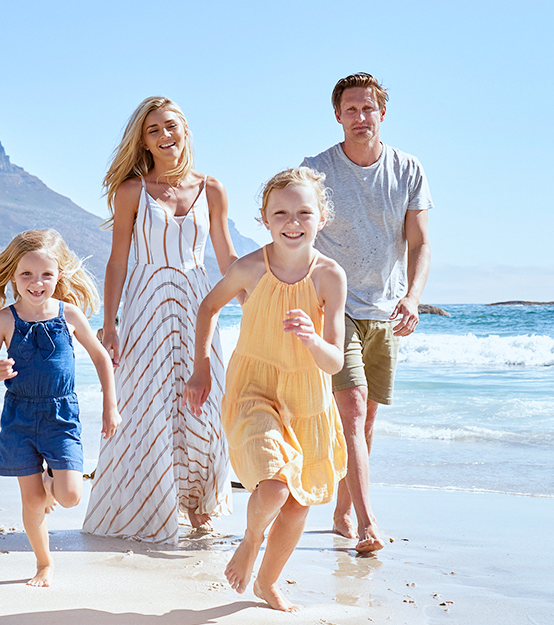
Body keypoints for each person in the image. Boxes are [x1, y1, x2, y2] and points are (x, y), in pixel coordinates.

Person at [184, 167, 348, 613]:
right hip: (255, 389)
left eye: (303, 212)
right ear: (265, 218)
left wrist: (313, 340)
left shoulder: (329, 276)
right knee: (274, 487)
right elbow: (207, 308)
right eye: (281, 213)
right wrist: (201, 367)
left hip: (307, 398)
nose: (292, 222)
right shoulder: (250, 268)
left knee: (298, 504)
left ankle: (268, 582)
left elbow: (335, 359)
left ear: (321, 217)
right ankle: (251, 540)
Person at [83, 96, 238, 543]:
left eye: (171, 126)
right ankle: (153, 503)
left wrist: (255, 295)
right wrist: (109, 323)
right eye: (154, 130)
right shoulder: (131, 191)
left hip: (196, 304)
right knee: (148, 405)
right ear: (144, 142)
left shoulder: (212, 189)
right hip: (146, 304)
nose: (165, 135)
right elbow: (117, 262)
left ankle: (199, 502)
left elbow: (226, 255)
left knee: (206, 405)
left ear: (185, 130)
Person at [302, 72, 431, 552]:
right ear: (338, 116)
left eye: (368, 108)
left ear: (382, 113)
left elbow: (420, 244)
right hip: (335, 308)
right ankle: (368, 521)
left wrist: (413, 297)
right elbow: (295, 231)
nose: (360, 117)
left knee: (366, 420)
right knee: (353, 414)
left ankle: (341, 512)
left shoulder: (408, 169)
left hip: (384, 311)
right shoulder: (316, 171)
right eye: (351, 110)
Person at [0, 229, 119, 587]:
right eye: (27, 274)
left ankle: (49, 478)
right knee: (33, 501)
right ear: (12, 276)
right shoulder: (5, 320)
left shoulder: (68, 314)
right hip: (19, 418)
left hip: (61, 416)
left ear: (59, 276)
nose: (36, 283)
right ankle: (44, 564)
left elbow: (101, 357)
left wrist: (109, 407)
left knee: (69, 495)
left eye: (46, 275)